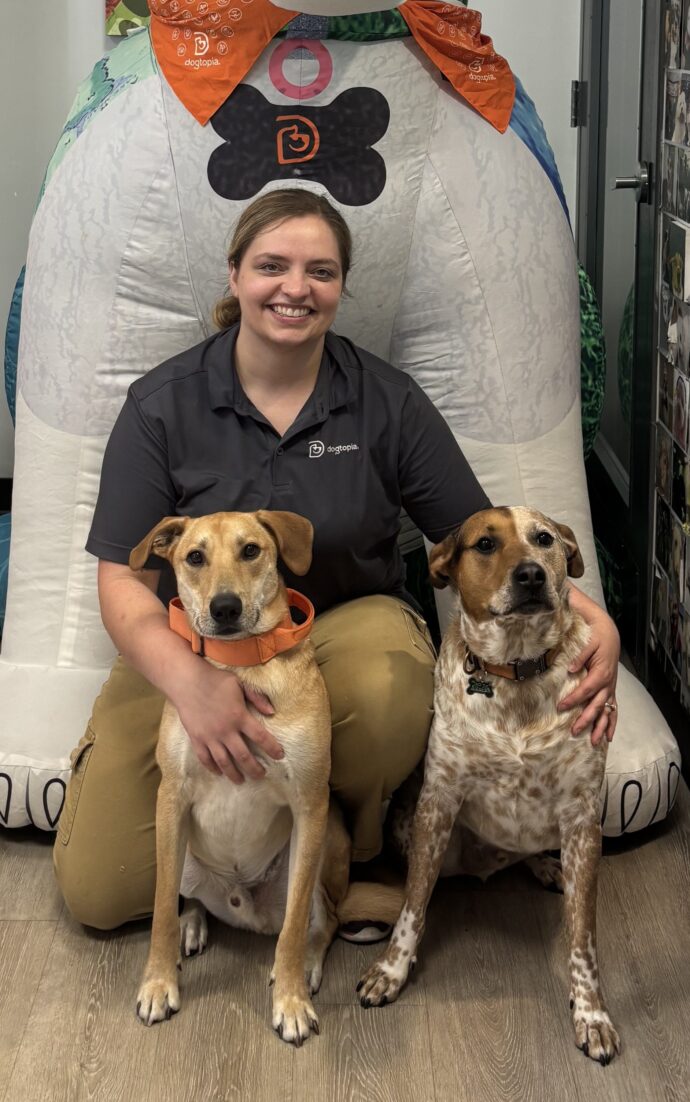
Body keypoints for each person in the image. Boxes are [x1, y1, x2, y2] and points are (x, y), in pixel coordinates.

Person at [53, 188, 620, 934]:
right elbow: (121, 576)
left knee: (390, 696)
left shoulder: (386, 402)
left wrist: (595, 622)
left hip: (344, 623)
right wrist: (189, 682)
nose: (296, 288)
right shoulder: (162, 406)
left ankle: (345, 854)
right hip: (194, 643)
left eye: (320, 270)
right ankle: (228, 871)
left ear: (342, 287)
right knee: (99, 891)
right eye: (272, 266)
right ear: (234, 275)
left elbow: (480, 543)